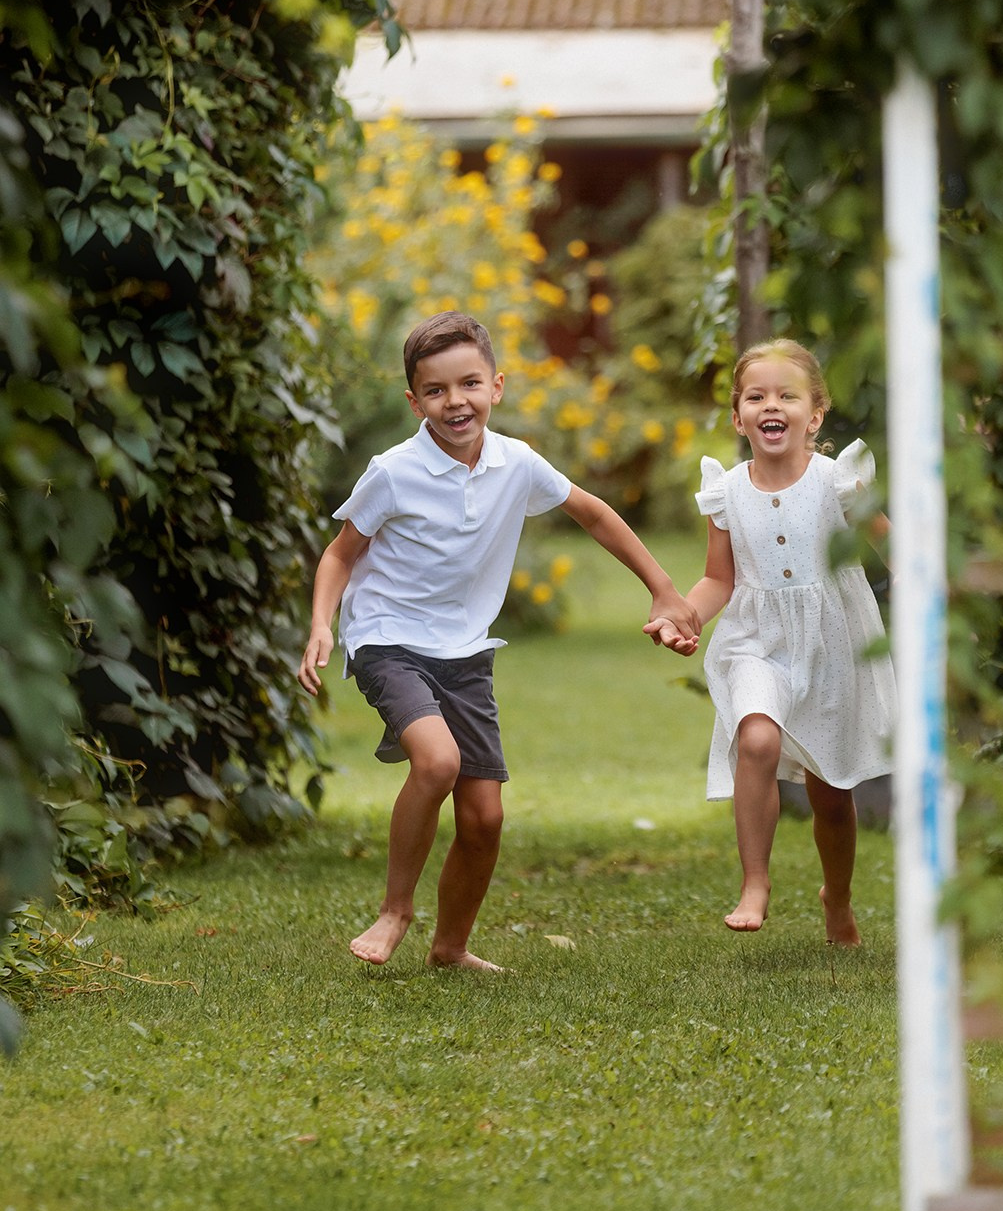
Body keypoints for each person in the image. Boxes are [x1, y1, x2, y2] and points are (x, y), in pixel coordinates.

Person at [298, 311, 700, 972]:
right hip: (387, 639)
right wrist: (321, 622)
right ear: (414, 401)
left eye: (469, 384)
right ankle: (396, 909)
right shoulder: (393, 472)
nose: (455, 402)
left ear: (497, 386)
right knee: (436, 762)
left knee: (484, 819)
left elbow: (592, 514)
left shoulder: (517, 463)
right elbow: (341, 555)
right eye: (436, 390)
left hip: (464, 652)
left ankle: (450, 950)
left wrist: (661, 586)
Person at [646, 339, 894, 940]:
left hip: (833, 644)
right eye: (756, 396)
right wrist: (687, 617)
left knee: (833, 796)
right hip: (757, 641)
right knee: (755, 737)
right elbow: (717, 579)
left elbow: (896, 549)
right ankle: (755, 881)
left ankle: (837, 896)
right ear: (738, 417)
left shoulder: (841, 484)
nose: (770, 405)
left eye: (787, 395)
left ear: (815, 415)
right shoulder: (726, 492)